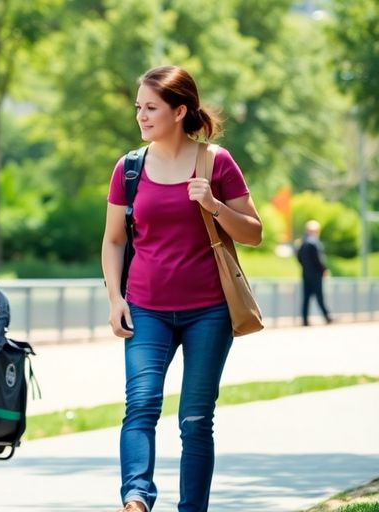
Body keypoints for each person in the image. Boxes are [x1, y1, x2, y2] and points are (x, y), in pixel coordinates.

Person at [100, 66, 263, 512]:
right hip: (146, 309)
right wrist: (116, 299)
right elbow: (114, 239)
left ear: (180, 110)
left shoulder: (217, 162)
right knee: (141, 405)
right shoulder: (129, 168)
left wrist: (212, 204)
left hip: (209, 311)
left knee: (194, 420)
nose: (141, 116)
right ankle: (136, 498)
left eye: (151, 107)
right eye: (138, 108)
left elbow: (253, 233)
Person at [296, 219, 332, 326]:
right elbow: (318, 259)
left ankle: (305, 320)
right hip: (316, 275)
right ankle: (327, 317)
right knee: (319, 297)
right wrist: (323, 270)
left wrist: (305, 267)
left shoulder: (302, 243)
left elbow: (299, 258)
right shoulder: (314, 243)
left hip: (306, 274)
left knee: (306, 298)